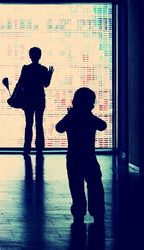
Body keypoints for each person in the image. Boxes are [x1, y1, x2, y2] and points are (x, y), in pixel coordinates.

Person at [56, 87, 107, 224]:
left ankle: (79, 210)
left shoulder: (72, 117)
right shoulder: (89, 118)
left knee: (76, 185)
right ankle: (97, 211)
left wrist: (71, 115)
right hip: (89, 157)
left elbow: (59, 128)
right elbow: (103, 126)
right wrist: (87, 115)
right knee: (95, 184)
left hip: (73, 157)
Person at [18, 47, 54, 155]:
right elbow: (46, 84)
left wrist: (17, 96)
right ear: (40, 56)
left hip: (28, 99)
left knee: (29, 124)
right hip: (39, 99)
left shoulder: (26, 68)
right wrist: (50, 75)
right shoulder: (42, 69)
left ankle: (27, 149)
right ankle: (39, 148)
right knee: (39, 124)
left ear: (30, 56)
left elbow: (21, 83)